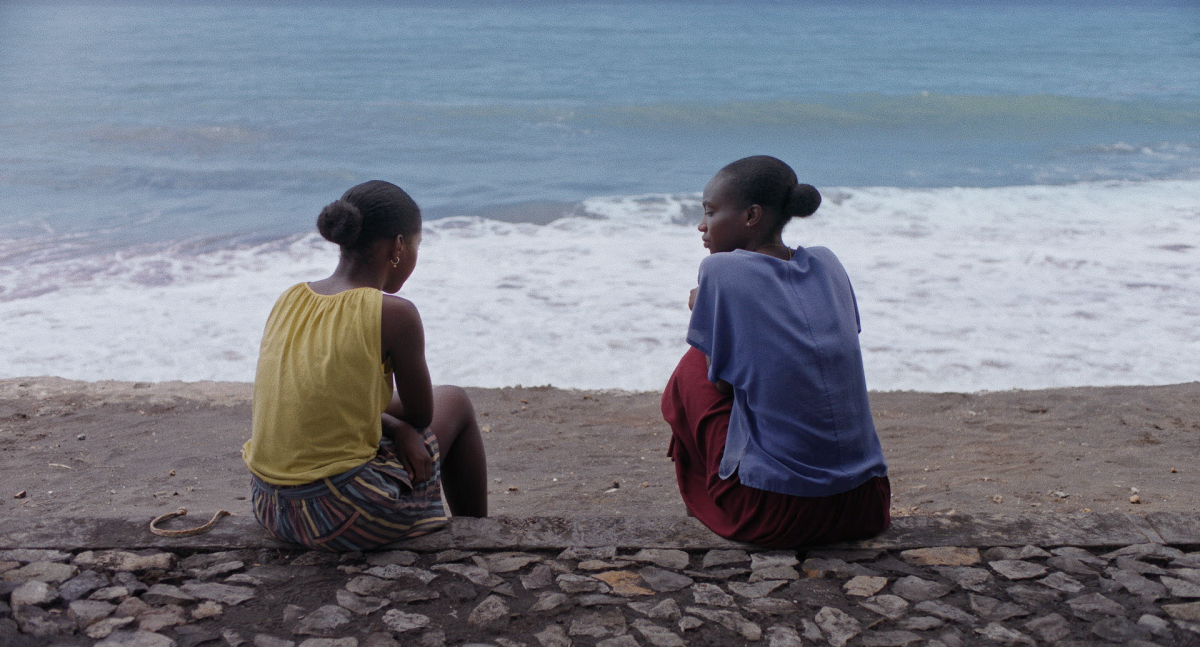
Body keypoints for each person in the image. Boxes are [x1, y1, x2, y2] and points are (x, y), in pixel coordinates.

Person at [243, 180, 487, 551]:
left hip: (272, 508)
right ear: (398, 246)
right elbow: (422, 416)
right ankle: (479, 538)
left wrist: (390, 424)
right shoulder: (394, 313)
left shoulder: (290, 297)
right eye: (416, 246)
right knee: (456, 400)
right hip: (340, 513)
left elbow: (322, 398)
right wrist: (403, 428)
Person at [662, 156, 890, 548]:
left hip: (778, 513)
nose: (702, 226)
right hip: (867, 504)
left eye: (711, 213)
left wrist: (708, 309)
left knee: (689, 370)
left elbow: (721, 389)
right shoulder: (828, 263)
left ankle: (706, 504)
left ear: (752, 215)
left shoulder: (721, 271)